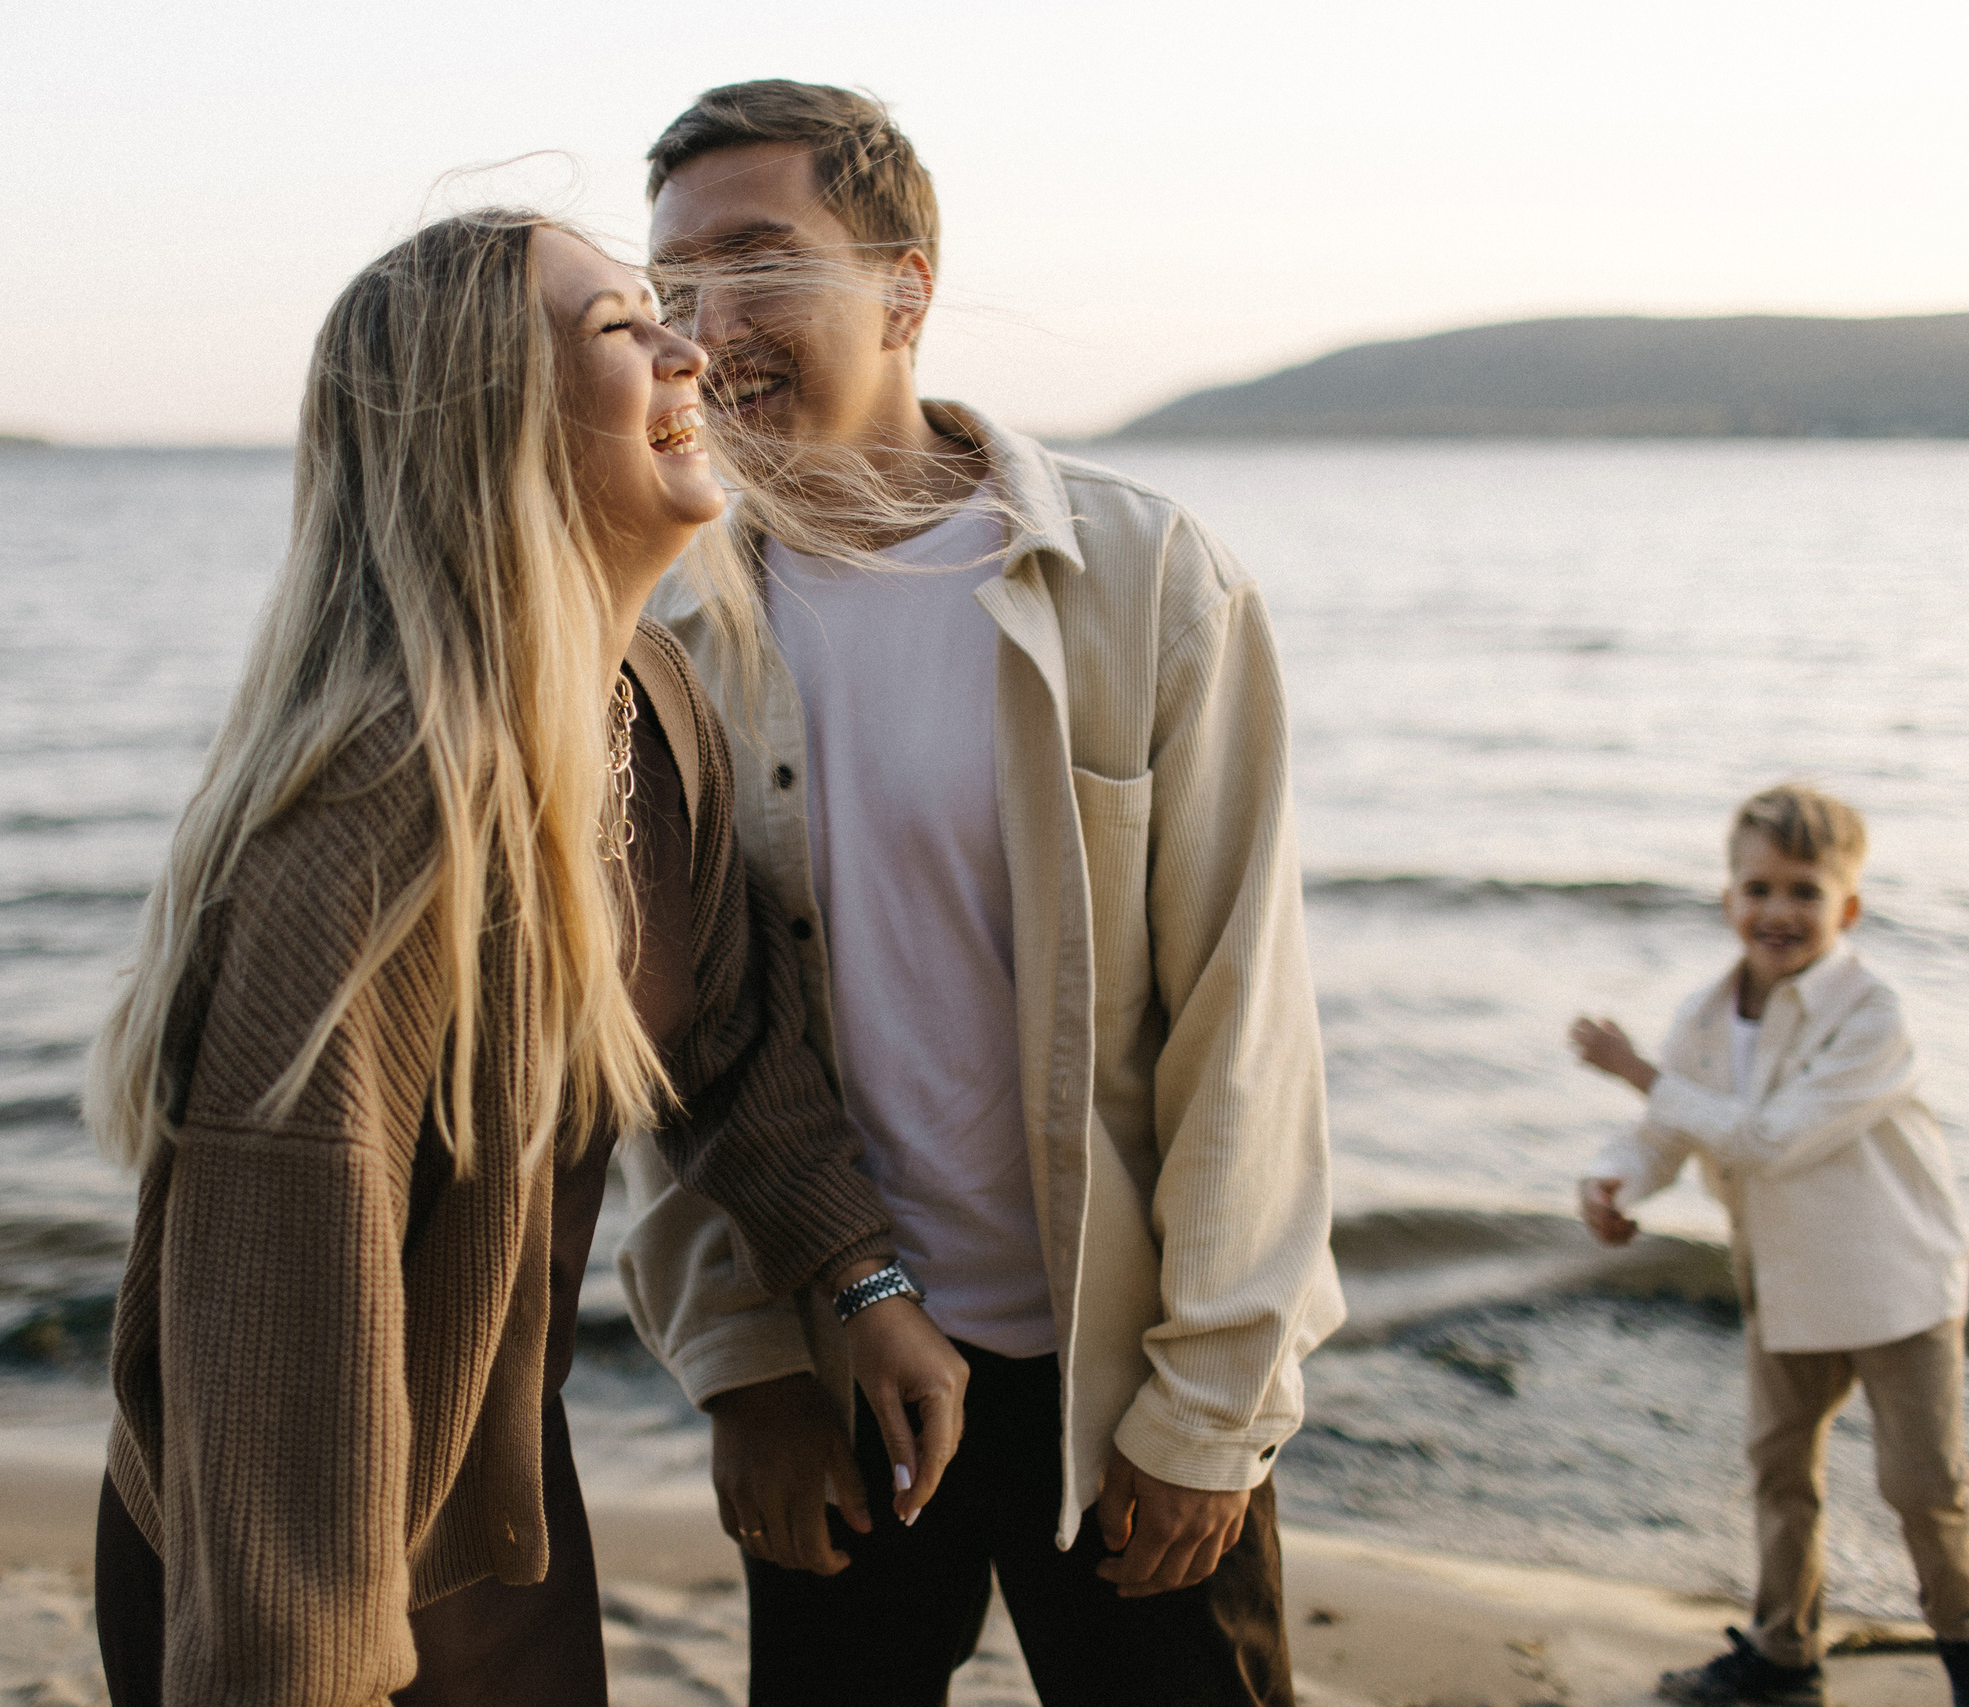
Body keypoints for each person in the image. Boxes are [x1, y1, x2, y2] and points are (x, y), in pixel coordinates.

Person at [78, 208, 968, 1707]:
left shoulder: (646, 694)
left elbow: (723, 1036)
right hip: (297, 1573)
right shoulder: (371, 832)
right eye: (625, 328)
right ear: (485, 422)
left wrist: (856, 1271)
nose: (693, 345)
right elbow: (286, 1374)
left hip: (495, 1519)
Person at [612, 81, 1346, 1707]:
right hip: (835, 1363)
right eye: (669, 287)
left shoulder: (1143, 575)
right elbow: (674, 1044)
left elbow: (1243, 1017)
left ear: (904, 283)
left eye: (755, 261)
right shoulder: (664, 630)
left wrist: (1212, 1401)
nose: (702, 325)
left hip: (1126, 1374)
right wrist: (742, 1370)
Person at [1571, 783, 1969, 1707]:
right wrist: (1613, 1178)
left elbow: (1769, 1137)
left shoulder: (1872, 1014)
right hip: (1787, 1283)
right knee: (1780, 1472)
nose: (1779, 910)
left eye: (1805, 891)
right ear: (1729, 898)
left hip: (1897, 1282)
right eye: (1759, 887)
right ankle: (1783, 1654)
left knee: (1923, 1484)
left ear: (1847, 907)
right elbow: (1670, 1134)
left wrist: (1636, 1071)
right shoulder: (1705, 1012)